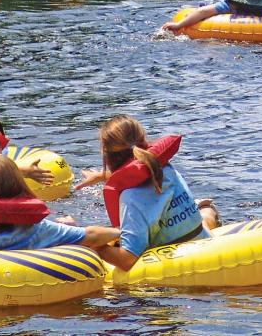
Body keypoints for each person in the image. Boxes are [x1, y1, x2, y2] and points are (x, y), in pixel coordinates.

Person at [74, 115, 219, 270]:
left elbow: (127, 259)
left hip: (181, 263)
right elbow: (138, 170)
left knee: (101, 236)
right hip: (198, 234)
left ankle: (205, 209)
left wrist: (93, 245)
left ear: (106, 154)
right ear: (143, 140)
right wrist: (102, 176)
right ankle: (206, 208)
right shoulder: (163, 167)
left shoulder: (131, 198)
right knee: (205, 218)